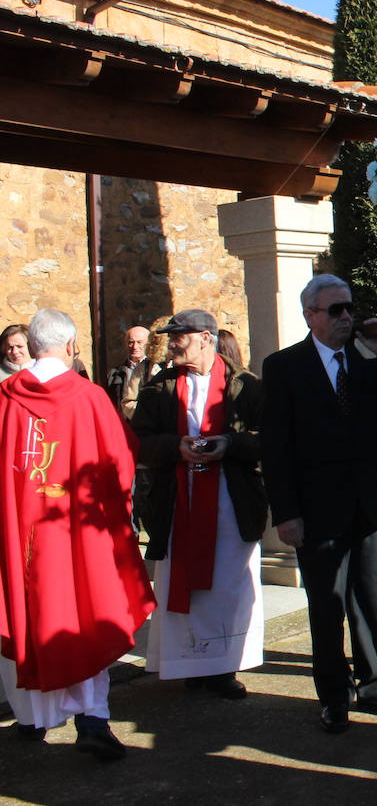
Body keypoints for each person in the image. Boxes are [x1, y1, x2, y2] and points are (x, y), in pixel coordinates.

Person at [260, 274, 377, 734]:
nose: (346, 317)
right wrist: (286, 513)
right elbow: (276, 447)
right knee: (326, 606)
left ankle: (376, 685)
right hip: (316, 510)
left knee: (370, 599)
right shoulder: (284, 367)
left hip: (369, 506)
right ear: (310, 315)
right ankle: (333, 695)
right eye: (335, 310)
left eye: (349, 308)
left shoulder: (368, 363)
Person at [0, 309, 155, 760]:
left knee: (27, 616)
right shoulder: (87, 398)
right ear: (70, 347)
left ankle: (30, 720)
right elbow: (120, 461)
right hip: (78, 534)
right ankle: (91, 720)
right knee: (86, 611)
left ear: (30, 346)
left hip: (20, 533)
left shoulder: (6, 398)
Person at [131, 309, 266, 700]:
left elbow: (269, 437)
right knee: (183, 583)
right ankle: (191, 662)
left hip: (231, 499)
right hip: (178, 500)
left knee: (228, 585)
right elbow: (139, 440)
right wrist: (177, 447)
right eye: (171, 337)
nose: (172, 343)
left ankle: (224, 666)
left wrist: (229, 445)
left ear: (205, 339)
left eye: (180, 337)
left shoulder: (247, 386)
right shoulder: (161, 387)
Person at [107, 325, 157, 420]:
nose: (135, 346)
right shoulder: (115, 374)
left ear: (148, 343)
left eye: (139, 342)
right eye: (131, 342)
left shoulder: (156, 369)